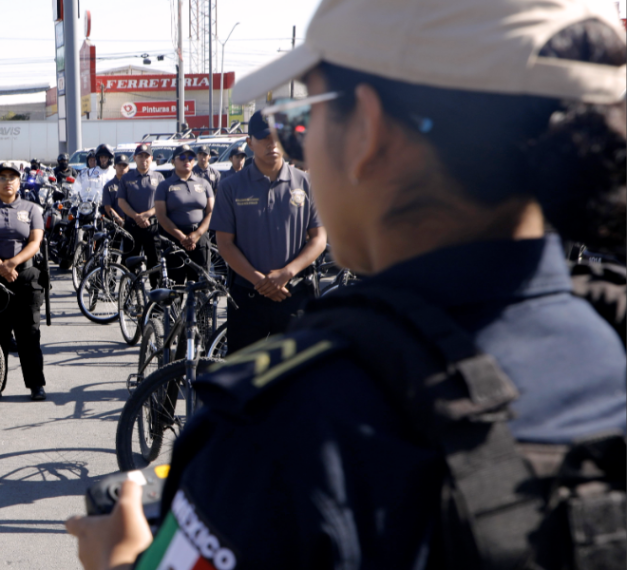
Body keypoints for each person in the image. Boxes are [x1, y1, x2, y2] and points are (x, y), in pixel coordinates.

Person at [66, 0, 627, 568]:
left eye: (301, 121)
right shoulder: (610, 338)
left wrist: (121, 559)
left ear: (368, 130)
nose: (292, 145)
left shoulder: (285, 425)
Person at [212, 111, 327, 353]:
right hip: (247, 297)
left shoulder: (307, 184)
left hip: (294, 295)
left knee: (295, 379)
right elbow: (224, 243)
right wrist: (260, 281)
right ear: (249, 142)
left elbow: (318, 238)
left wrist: (286, 273)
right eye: (264, 137)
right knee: (242, 380)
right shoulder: (230, 186)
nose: (272, 144)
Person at [0, 163, 48, 401]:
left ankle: (36, 384)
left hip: (24, 277)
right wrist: (0, 266)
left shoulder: (32, 209)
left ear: (19, 182)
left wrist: (12, 263)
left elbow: (35, 242)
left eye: (12, 177)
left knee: (29, 335)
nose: (7, 182)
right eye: (2, 177)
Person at [154, 144, 215, 283]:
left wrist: (197, 234)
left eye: (190, 157)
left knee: (201, 285)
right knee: (176, 286)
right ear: (173, 161)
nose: (186, 160)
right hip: (174, 239)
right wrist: (182, 237)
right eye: (182, 157)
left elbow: (211, 212)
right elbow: (161, 215)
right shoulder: (164, 186)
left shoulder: (204, 184)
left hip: (199, 239)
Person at [117, 143, 165, 284]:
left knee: (155, 264)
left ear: (151, 159)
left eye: (147, 156)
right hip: (132, 227)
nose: (143, 159)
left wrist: (147, 215)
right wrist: (137, 217)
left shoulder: (159, 177)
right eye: (140, 156)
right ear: (134, 158)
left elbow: (162, 202)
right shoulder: (126, 178)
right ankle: (129, 297)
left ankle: (155, 300)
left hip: (153, 228)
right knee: (129, 264)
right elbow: (121, 201)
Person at [101, 154, 128, 225]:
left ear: (128, 167)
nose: (122, 168)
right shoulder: (108, 186)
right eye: (119, 165)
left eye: (124, 165)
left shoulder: (134, 184)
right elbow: (107, 207)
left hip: (132, 222)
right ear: (114, 167)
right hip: (115, 224)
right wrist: (119, 220)